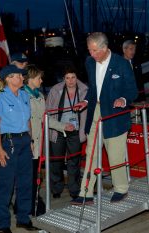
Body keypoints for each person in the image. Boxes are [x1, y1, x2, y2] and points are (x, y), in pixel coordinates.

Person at [71, 32, 137, 205]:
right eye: (89, 50)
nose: (91, 54)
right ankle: (86, 192)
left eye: (94, 51)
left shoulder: (121, 64)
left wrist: (123, 99)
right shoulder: (89, 62)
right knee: (91, 151)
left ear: (104, 48)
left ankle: (121, 189)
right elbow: (94, 88)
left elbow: (132, 91)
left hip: (115, 114)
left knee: (115, 154)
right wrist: (85, 101)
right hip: (95, 111)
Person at [0, 65, 38, 232]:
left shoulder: (24, 94)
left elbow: (28, 119)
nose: (22, 78)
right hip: (8, 144)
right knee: (6, 185)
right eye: (19, 75)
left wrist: (30, 139)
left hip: (24, 141)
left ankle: (23, 218)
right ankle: (3, 225)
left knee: (25, 182)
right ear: (9, 78)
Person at [24, 64, 74, 215]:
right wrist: (28, 140)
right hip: (27, 143)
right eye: (39, 78)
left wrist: (63, 126)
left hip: (38, 144)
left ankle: (31, 203)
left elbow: (45, 119)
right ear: (31, 79)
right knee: (26, 177)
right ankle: (26, 205)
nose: (41, 80)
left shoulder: (39, 96)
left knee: (34, 176)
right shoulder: (22, 96)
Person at [46, 66, 88, 200]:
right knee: (56, 162)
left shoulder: (85, 91)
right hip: (58, 130)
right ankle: (56, 188)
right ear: (63, 78)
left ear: (77, 77)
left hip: (76, 131)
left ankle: (74, 190)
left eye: (73, 77)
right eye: (67, 78)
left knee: (74, 162)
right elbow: (47, 110)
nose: (70, 81)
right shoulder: (55, 90)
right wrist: (58, 126)